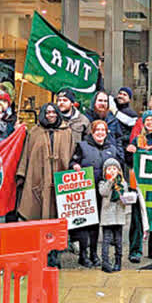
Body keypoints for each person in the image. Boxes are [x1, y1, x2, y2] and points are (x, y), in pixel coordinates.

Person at [16, 103, 74, 268]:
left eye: (53, 112)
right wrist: (22, 174)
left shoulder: (67, 132)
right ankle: (39, 255)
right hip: (38, 181)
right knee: (37, 218)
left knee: (56, 220)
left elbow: (70, 154)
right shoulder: (34, 132)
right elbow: (27, 155)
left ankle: (54, 256)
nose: (50, 115)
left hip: (58, 183)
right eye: (47, 112)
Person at [72, 119, 124, 267]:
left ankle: (94, 254)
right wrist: (75, 165)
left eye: (103, 130)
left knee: (96, 225)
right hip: (86, 190)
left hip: (105, 192)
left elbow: (118, 168)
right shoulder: (82, 146)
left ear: (106, 132)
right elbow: (72, 162)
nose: (100, 133)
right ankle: (83, 255)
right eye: (97, 130)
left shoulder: (112, 149)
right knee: (85, 224)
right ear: (92, 132)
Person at [126, 111, 152, 262]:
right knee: (137, 219)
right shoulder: (137, 139)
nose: (150, 122)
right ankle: (135, 251)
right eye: (147, 120)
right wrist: (130, 152)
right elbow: (129, 161)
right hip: (138, 185)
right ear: (143, 123)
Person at [98, 157, 131, 273]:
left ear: (119, 170)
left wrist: (127, 204)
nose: (112, 171)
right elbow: (103, 192)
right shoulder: (103, 183)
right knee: (106, 240)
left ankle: (118, 261)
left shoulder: (123, 183)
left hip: (119, 215)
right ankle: (105, 262)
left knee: (118, 240)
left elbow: (126, 198)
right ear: (105, 171)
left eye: (114, 169)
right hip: (107, 216)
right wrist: (110, 181)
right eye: (109, 169)